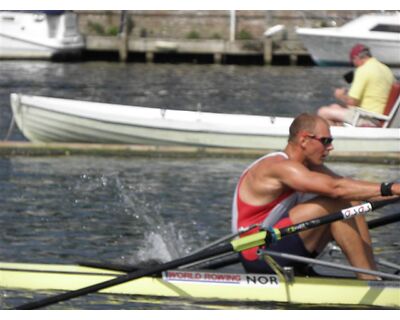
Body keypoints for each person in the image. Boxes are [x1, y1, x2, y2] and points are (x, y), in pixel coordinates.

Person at [231, 113, 399, 279]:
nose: (331, 147)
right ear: (304, 140)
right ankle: (368, 279)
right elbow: (336, 189)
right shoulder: (280, 166)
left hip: (278, 244)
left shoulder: (306, 167)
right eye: (326, 141)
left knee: (352, 200)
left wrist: (394, 192)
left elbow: (354, 189)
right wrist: (391, 188)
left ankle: (372, 274)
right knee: (337, 204)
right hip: (256, 252)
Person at [317, 44, 395, 126]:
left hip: (369, 118)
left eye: (352, 62)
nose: (354, 65)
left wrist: (340, 95)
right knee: (334, 107)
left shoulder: (363, 70)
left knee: (323, 112)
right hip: (383, 117)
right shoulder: (386, 69)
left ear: (356, 58)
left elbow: (352, 102)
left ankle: (336, 137)